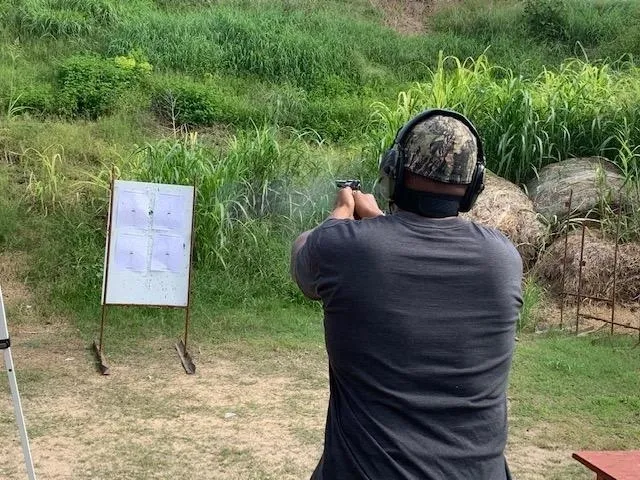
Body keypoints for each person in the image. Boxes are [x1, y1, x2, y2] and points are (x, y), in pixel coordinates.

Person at [290, 109, 523, 480]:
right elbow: (413, 248)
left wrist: (341, 212)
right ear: (473, 185)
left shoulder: (346, 249)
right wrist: (381, 223)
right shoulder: (503, 258)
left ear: (394, 170)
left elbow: (304, 259)